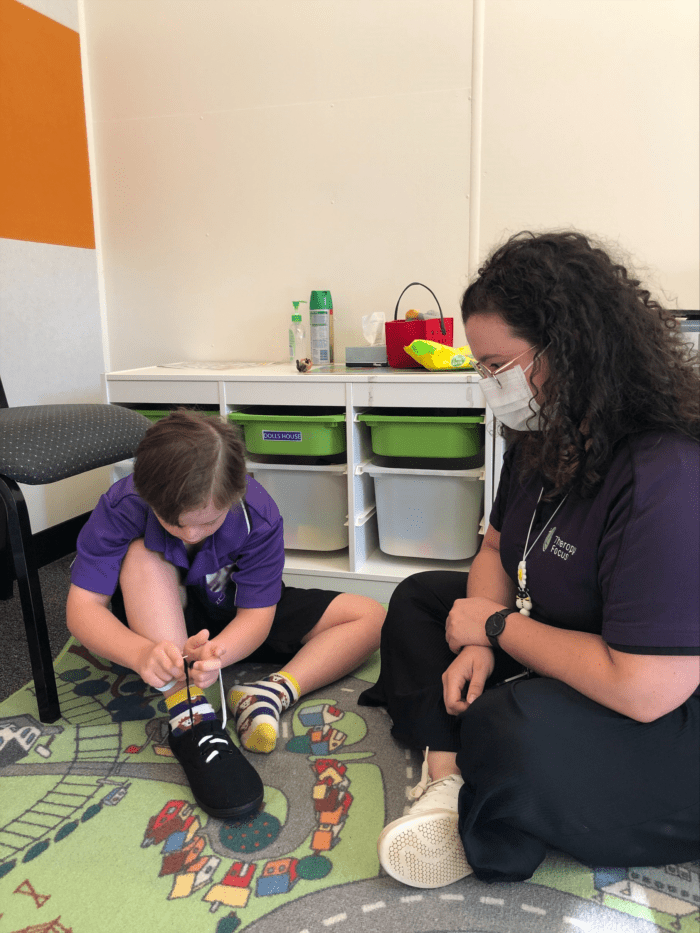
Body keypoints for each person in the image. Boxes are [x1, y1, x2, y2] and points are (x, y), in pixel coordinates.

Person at [359, 231, 700, 888]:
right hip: (565, 641)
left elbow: (644, 689)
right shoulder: (544, 434)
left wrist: (493, 629)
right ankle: (451, 777)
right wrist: (481, 637)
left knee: (505, 722)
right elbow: (495, 546)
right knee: (418, 600)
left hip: (659, 701)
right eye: (480, 367)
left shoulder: (666, 474)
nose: (489, 385)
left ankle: (475, 793)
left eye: (497, 365)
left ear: (569, 351)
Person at [67, 410, 385, 820]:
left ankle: (268, 693)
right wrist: (140, 653)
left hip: (232, 611)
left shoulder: (259, 513)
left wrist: (221, 653)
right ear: (147, 496)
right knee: (142, 552)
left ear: (235, 494)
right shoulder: (123, 503)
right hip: (159, 619)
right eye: (173, 523)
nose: (191, 535)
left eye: (208, 522)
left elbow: (256, 616)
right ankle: (190, 714)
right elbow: (83, 608)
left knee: (371, 616)